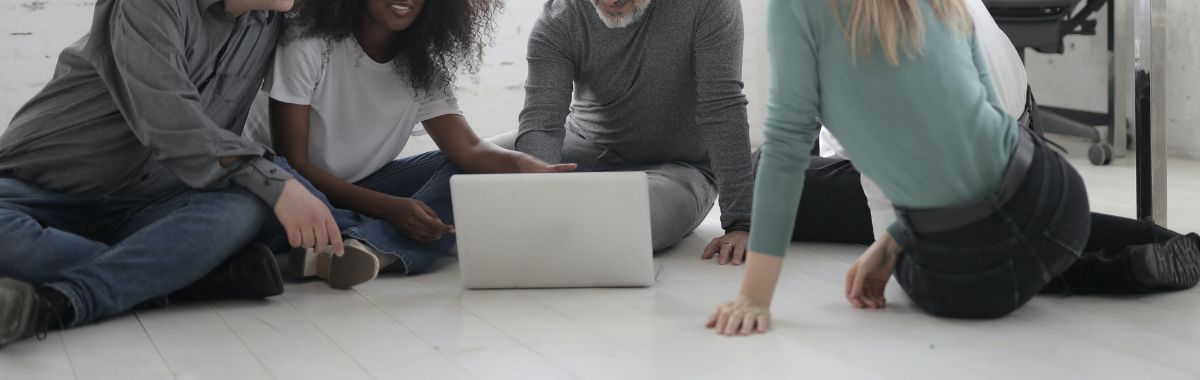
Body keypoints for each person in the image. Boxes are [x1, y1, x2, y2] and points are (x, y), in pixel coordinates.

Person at [707, 0, 1200, 335]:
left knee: (934, 268)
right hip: (1055, 191)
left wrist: (754, 296)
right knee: (1012, 230)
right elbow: (984, 110)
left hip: (974, 276)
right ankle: (1153, 245)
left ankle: (1115, 274)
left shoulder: (800, 10)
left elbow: (788, 152)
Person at [0, 0, 349, 347]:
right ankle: (186, 275)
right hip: (33, 193)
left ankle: (61, 301)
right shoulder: (149, 5)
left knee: (244, 206)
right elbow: (171, 120)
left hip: (145, 206)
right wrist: (275, 183)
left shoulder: (270, 23)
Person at [244, 0, 573, 289]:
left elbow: (469, 151)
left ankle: (355, 245)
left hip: (358, 188)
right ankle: (375, 242)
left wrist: (525, 166)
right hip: (287, 186)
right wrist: (390, 208)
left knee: (463, 173)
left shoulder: (422, 72)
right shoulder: (309, 41)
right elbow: (295, 165)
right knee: (267, 191)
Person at [491, 0, 756, 262]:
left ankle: (557, 224)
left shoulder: (708, 5)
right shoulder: (561, 15)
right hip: (585, 145)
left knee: (634, 218)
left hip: (679, 168)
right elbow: (542, 122)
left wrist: (741, 222)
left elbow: (722, 107)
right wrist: (534, 194)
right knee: (465, 158)